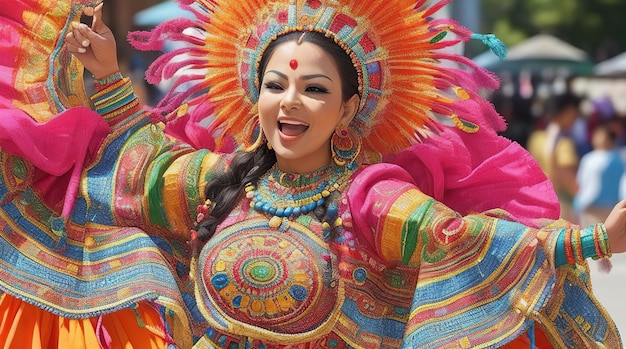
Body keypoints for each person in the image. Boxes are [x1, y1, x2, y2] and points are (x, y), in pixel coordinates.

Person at [0, 0, 625, 348]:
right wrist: (109, 76)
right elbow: (136, 168)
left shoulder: (371, 198)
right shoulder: (221, 182)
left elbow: (462, 236)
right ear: (255, 94)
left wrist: (596, 241)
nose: (290, 102)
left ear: (347, 108)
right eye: (276, 85)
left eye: (313, 89)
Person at [527, 93, 582, 223]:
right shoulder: (564, 144)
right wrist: (582, 196)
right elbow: (566, 175)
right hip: (560, 205)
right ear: (567, 111)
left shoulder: (536, 139)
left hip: (536, 204)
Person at [574, 122, 626, 227]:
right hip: (592, 206)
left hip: (609, 206)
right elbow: (582, 182)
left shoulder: (617, 158)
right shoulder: (589, 158)